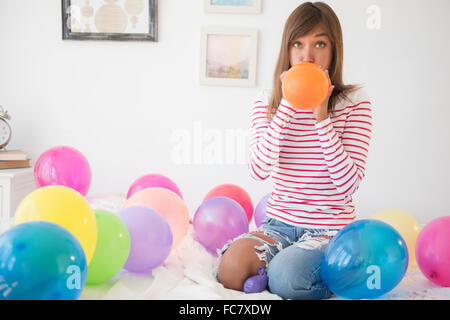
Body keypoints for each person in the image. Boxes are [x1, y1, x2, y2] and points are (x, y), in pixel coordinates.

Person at [216, 2, 373, 300]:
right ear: (287, 50)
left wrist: (321, 117)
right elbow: (258, 169)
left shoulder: (355, 102)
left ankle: (341, 271)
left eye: (320, 44)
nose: (307, 55)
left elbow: (347, 186)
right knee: (231, 269)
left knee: (287, 279)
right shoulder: (268, 101)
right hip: (279, 224)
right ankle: (278, 267)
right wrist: (287, 105)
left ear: (334, 50)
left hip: (329, 228)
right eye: (297, 44)